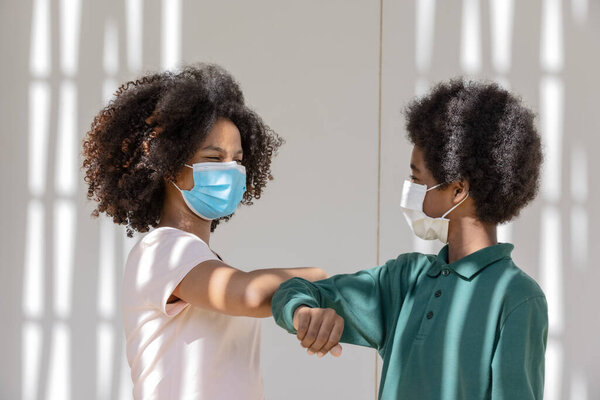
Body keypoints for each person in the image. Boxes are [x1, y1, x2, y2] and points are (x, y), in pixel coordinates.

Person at [271, 79, 548, 400]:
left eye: (417, 178)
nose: (409, 186)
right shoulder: (405, 279)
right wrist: (304, 312)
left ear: (458, 189)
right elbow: (294, 290)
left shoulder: (518, 298)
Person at [82, 64, 327, 400]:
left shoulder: (199, 259)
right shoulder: (162, 250)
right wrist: (324, 278)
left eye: (237, 160)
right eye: (214, 157)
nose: (230, 170)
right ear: (168, 166)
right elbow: (248, 293)